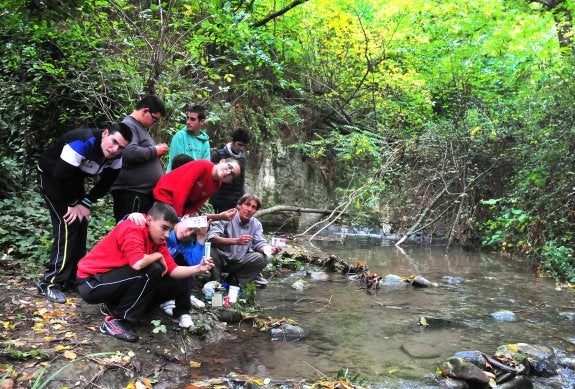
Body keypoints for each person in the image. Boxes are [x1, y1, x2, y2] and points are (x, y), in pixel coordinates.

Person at [76, 202, 214, 342]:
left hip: (111, 280)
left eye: (170, 230)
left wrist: (199, 268)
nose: (166, 235)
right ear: (149, 220)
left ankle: (114, 307)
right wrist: (158, 256)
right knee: (152, 269)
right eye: (164, 228)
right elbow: (137, 263)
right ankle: (115, 321)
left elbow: (174, 270)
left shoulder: (158, 240)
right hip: (91, 283)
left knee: (175, 282)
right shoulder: (134, 228)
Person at [36, 123, 132, 303]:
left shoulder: (116, 156)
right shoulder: (83, 141)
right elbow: (60, 175)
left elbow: (107, 182)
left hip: (73, 180)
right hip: (51, 177)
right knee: (67, 222)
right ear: (105, 134)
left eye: (121, 147)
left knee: (81, 222)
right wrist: (73, 203)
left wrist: (86, 202)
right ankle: (50, 283)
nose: (115, 149)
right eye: (113, 142)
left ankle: (74, 278)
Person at [110, 94, 168, 222]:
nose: (154, 123)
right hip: (131, 193)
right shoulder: (129, 125)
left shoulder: (138, 127)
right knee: (130, 233)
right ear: (145, 111)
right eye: (154, 118)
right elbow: (129, 152)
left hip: (140, 194)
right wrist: (155, 150)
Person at [207, 193, 282, 287]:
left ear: (255, 211)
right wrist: (236, 241)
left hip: (239, 262)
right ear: (239, 206)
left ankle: (234, 281)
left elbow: (259, 243)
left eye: (253, 207)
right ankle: (215, 281)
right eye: (247, 204)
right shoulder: (226, 216)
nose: (249, 209)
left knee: (262, 258)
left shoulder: (256, 224)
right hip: (221, 260)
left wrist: (270, 250)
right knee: (209, 249)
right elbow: (212, 238)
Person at [153, 157, 241, 219]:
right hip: (165, 196)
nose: (228, 172)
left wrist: (186, 216)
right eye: (229, 166)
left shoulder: (217, 185)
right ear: (222, 161)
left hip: (178, 206)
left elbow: (195, 204)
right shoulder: (203, 165)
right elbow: (181, 191)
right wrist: (179, 218)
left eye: (232, 174)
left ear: (229, 181)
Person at [210, 128, 252, 213]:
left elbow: (241, 182)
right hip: (219, 201)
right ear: (233, 141)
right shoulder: (219, 154)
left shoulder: (242, 159)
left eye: (244, 146)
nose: (241, 148)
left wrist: (243, 199)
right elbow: (212, 178)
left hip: (235, 201)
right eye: (239, 144)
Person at [166, 105, 210, 171]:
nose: (188, 122)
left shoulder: (204, 141)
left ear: (202, 122)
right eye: (188, 118)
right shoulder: (179, 136)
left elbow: (206, 166)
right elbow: (176, 166)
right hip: (177, 177)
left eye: (192, 119)